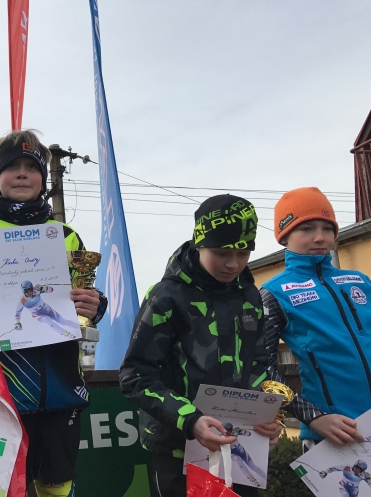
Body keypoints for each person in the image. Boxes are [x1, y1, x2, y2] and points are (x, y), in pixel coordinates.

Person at [0, 130, 106, 497]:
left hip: (62, 386)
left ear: (44, 178)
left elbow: (85, 293)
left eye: (32, 167)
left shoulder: (65, 236)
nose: (23, 173)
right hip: (2, 389)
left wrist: (95, 305)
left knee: (58, 484)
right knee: (6, 487)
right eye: (13, 166)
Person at [119, 194, 282, 497]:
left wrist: (266, 417)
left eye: (244, 252)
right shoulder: (166, 296)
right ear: (199, 244)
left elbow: (258, 364)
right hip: (177, 450)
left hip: (239, 448)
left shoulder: (250, 296)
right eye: (221, 253)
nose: (233, 264)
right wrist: (191, 421)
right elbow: (135, 376)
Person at [261, 187, 371, 451]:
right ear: (284, 236)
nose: (319, 237)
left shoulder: (362, 282)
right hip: (336, 435)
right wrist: (313, 417)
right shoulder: (273, 293)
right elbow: (261, 366)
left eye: (327, 228)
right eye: (306, 229)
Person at [14, 280, 82, 339]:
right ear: (23, 291)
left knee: (63, 321)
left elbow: (51, 290)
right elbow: (17, 313)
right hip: (37, 314)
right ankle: (67, 334)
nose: (29, 292)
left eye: (30, 289)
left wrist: (43, 287)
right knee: (47, 319)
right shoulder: (22, 301)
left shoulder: (36, 291)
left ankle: (80, 327)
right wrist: (17, 322)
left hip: (47, 309)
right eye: (26, 291)